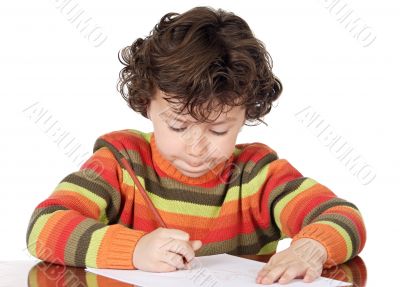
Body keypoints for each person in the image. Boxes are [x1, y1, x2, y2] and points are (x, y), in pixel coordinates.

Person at [25, 6, 366, 285]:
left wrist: (312, 247)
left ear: (246, 113)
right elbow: (43, 227)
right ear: (147, 104)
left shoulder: (258, 177)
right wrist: (135, 249)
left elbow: (343, 216)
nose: (196, 147)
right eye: (178, 125)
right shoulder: (122, 162)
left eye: (218, 130)